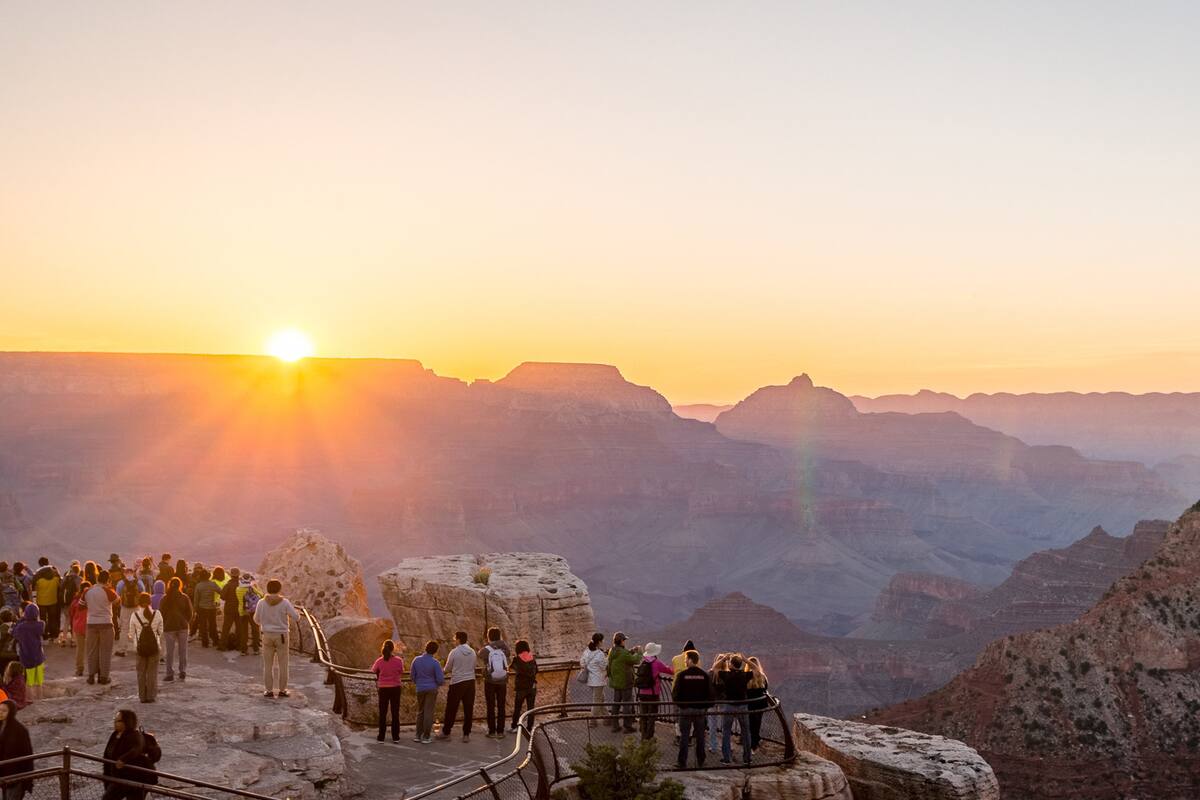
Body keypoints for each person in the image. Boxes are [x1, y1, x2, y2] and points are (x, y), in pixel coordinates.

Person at [252, 579, 299, 698]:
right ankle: (283, 690)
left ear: (267, 589)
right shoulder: (285, 602)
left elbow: (256, 619)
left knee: (268, 665)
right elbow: (296, 617)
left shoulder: (261, 602)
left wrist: (266, 623)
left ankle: (268, 691)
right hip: (282, 635)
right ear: (279, 589)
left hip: (267, 635)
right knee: (283, 664)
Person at [671, 649, 713, 769]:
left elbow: (675, 694)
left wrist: (681, 705)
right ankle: (701, 761)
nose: (685, 661)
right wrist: (704, 707)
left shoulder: (682, 675)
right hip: (700, 711)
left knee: (684, 737)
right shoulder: (704, 675)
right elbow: (711, 695)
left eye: (686, 659)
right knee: (700, 737)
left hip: (685, 711)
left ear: (690, 660)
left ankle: (682, 762)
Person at [101, 708, 151, 800]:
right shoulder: (114, 735)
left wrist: (123, 759)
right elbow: (107, 756)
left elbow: (136, 749)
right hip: (118, 778)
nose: (115, 723)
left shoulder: (135, 735)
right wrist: (106, 778)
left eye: (119, 721)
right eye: (115, 720)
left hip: (134, 778)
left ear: (127, 722)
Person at [439, 631, 476, 742]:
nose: (454, 641)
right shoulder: (472, 652)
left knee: (451, 708)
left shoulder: (454, 652)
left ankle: (446, 732)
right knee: (468, 709)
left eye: (455, 639)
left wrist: (441, 671)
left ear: (459, 639)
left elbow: (447, 669)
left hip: (457, 682)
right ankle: (466, 734)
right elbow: (474, 666)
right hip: (470, 682)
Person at [716, 653, 752, 765]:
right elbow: (757, 670)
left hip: (729, 706)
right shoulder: (745, 675)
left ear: (731, 664)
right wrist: (746, 660)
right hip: (742, 706)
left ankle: (727, 759)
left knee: (726, 732)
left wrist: (724, 658)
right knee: (746, 732)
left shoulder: (726, 675)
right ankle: (747, 759)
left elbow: (714, 668)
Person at [127, 593, 162, 703]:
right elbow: (160, 632)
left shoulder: (134, 615)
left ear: (139, 602)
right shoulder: (157, 614)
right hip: (154, 647)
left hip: (140, 648)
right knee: (152, 672)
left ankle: (142, 696)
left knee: (141, 672)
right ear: (150, 602)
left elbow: (131, 634)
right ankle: (151, 696)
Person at [635, 642, 673, 741]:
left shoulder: (643, 663)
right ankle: (649, 737)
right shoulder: (657, 663)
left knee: (643, 716)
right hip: (653, 694)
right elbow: (669, 671)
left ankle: (643, 737)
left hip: (642, 693)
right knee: (652, 717)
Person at [84, 577, 118, 685]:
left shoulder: (88, 591)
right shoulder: (107, 591)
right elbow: (117, 601)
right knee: (105, 651)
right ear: (107, 581)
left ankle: (91, 676)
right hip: (106, 623)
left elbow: (81, 605)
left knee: (92, 650)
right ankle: (104, 677)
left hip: (91, 623)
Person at [478, 627, 510, 739]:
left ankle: (491, 731)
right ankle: (500, 731)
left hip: (490, 680)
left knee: (490, 706)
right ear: (500, 635)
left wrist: (490, 645)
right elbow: (508, 655)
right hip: (502, 680)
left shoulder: (487, 649)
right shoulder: (504, 646)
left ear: (489, 636)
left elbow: (480, 654)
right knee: (501, 706)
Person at [410, 641, 444, 744]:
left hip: (420, 688)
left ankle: (417, 735)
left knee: (420, 712)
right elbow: (440, 680)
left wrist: (419, 682)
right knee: (428, 713)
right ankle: (426, 736)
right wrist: (436, 684)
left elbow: (412, 676)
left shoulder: (416, 660)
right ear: (435, 651)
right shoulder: (435, 663)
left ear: (425, 648)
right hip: (432, 689)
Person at [605, 632, 640, 733]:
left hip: (616, 682)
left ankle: (615, 726)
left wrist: (631, 651)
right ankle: (627, 726)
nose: (625, 642)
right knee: (627, 705)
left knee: (616, 704)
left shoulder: (612, 651)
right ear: (621, 641)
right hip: (626, 682)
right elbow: (636, 660)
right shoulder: (623, 653)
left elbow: (621, 658)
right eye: (624, 640)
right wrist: (639, 652)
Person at [371, 640, 404, 743]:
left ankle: (381, 737)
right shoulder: (398, 660)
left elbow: (373, 670)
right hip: (395, 688)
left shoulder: (379, 661)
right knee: (395, 713)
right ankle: (396, 737)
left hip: (383, 688)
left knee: (382, 713)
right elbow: (401, 671)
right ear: (393, 649)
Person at [159, 578, 192, 682]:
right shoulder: (184, 597)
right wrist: (185, 621)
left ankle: (169, 674)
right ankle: (182, 671)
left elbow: (161, 614)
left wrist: (164, 623)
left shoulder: (165, 598)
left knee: (169, 652)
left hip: (169, 627)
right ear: (180, 586)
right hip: (182, 626)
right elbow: (190, 613)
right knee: (182, 650)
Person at [0, 699, 34, 800]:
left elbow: (27, 755)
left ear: (11, 712)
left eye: (4, 711)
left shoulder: (20, 730)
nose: (0, 713)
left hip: (15, 775)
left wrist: (27, 779)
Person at [10, 605, 44, 703]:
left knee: (29, 682)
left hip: (26, 657)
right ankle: (40, 698)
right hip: (39, 657)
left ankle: (30, 699)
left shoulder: (21, 627)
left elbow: (13, 633)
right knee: (39, 681)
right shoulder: (40, 624)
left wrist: (21, 619)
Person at [509, 639, 538, 732]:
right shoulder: (532, 658)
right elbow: (536, 670)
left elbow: (511, 668)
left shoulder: (517, 659)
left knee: (517, 708)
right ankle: (529, 727)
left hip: (521, 687)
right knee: (531, 708)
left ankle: (514, 726)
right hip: (532, 686)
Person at [580, 633, 608, 726]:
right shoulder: (599, 654)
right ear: (599, 641)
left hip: (591, 680)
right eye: (602, 640)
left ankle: (607, 718)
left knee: (601, 699)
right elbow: (604, 667)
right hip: (598, 681)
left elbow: (582, 663)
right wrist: (606, 658)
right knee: (597, 701)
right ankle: (592, 721)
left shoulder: (587, 651)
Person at [191, 568, 219, 648]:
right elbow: (221, 591)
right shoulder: (213, 584)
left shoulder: (198, 586)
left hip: (202, 608)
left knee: (203, 626)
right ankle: (215, 640)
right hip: (212, 607)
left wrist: (195, 609)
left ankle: (205, 643)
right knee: (213, 625)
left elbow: (196, 600)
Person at [706, 653, 729, 753]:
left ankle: (713, 746)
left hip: (712, 701)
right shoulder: (727, 674)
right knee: (725, 725)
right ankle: (725, 746)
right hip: (723, 701)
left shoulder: (710, 673)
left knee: (712, 725)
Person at [33, 559, 60, 641]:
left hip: (41, 602)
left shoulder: (39, 581)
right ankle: (54, 635)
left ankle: (44, 635)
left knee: (43, 619)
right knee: (53, 618)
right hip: (53, 601)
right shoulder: (56, 579)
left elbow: (34, 588)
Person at [746, 657, 769, 752]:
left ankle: (751, 743)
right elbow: (766, 689)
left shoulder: (746, 676)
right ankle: (755, 744)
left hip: (749, 704)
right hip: (760, 704)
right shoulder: (762, 676)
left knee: (750, 724)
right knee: (757, 723)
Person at [68, 581, 91, 676]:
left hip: (78, 626)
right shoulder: (91, 600)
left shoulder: (75, 600)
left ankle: (79, 669)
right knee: (91, 649)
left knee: (80, 649)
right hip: (90, 626)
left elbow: (71, 613)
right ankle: (92, 669)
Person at [59, 563, 83, 646]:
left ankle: (64, 639)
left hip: (65, 602)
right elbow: (80, 591)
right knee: (74, 620)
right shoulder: (79, 579)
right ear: (78, 571)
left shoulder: (65, 578)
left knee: (67, 620)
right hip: (74, 602)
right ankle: (73, 640)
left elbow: (60, 588)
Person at [219, 568, 241, 651]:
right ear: (238, 575)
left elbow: (222, 596)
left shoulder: (228, 585)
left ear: (231, 575)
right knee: (239, 627)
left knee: (226, 627)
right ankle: (239, 645)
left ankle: (222, 645)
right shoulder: (241, 585)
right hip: (239, 609)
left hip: (229, 608)